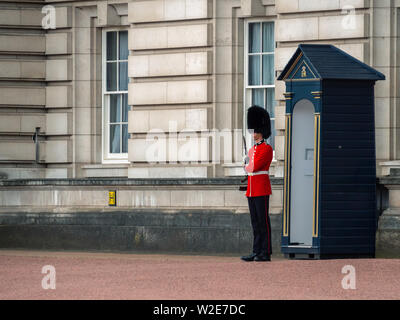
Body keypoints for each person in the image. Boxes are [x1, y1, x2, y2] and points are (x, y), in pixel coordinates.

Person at [241, 105, 273, 262]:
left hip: (261, 188)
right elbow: (248, 168)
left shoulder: (267, 149)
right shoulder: (252, 150)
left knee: (263, 221)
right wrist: (246, 163)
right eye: (253, 131)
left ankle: (265, 252)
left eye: (256, 131)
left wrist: (247, 165)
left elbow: (254, 167)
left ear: (262, 132)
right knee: (255, 222)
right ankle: (256, 251)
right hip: (252, 189)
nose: (254, 134)